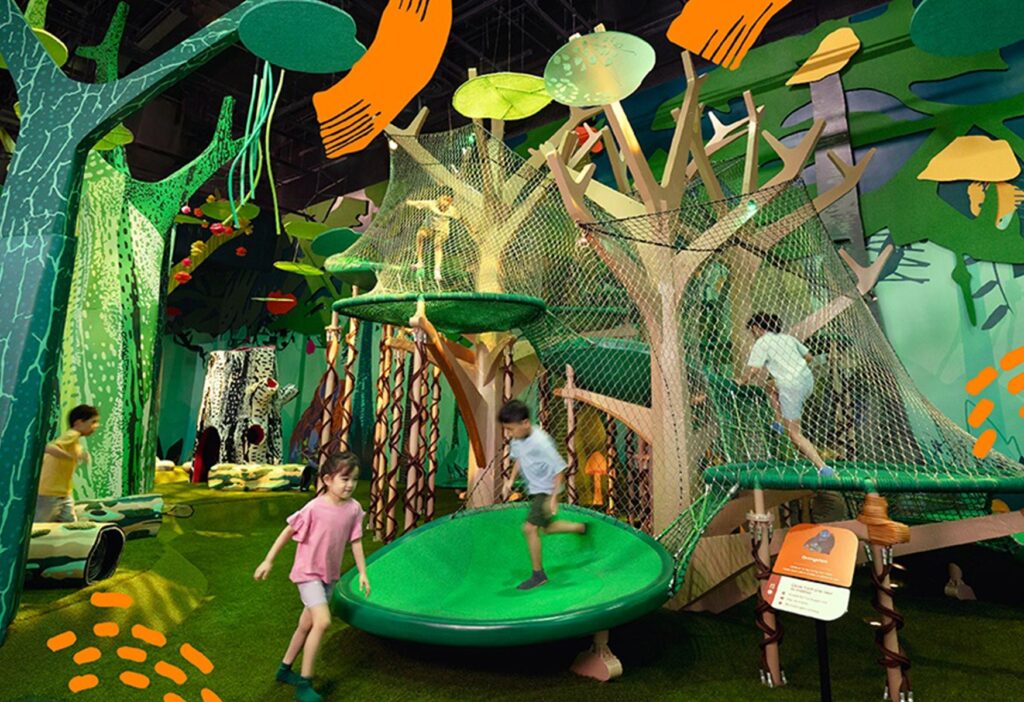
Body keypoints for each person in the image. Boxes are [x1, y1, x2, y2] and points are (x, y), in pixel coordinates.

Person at [254, 452, 370, 702]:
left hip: (329, 576)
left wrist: (363, 572)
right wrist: (268, 560)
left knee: (306, 625)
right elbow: (288, 531)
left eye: (354, 479)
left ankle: (284, 669)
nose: (350, 484)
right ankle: (305, 682)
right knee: (323, 622)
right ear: (327, 479)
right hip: (308, 573)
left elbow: (356, 541)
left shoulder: (353, 509)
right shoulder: (314, 508)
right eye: (344, 479)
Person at [498, 400, 587, 591]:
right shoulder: (517, 439)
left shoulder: (542, 443)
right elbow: (519, 459)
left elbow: (559, 470)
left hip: (546, 490)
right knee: (546, 528)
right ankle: (579, 527)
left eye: (510, 429)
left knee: (529, 528)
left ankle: (538, 575)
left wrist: (553, 498)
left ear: (525, 423)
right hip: (535, 489)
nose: (509, 434)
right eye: (506, 429)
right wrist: (510, 480)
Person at [738, 312, 834, 477]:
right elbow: (809, 357)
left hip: (790, 387)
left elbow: (754, 369)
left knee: (795, 435)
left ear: (756, 328)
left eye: (752, 331)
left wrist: (741, 381)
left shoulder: (762, 342)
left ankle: (823, 468)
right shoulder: (788, 338)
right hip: (807, 382)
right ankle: (778, 422)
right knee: (770, 386)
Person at [34, 404, 100, 523]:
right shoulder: (72, 434)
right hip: (50, 492)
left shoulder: (75, 440)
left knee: (70, 523)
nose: (96, 426)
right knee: (41, 525)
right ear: (78, 423)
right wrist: (68, 456)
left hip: (63, 493)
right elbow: (48, 448)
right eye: (93, 422)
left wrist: (81, 455)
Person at [406, 187, 459, 281]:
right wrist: (407, 201)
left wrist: (471, 229)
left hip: (442, 231)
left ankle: (437, 269)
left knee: (437, 242)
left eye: (449, 201)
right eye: (444, 199)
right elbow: (417, 203)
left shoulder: (452, 210)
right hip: (429, 228)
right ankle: (419, 262)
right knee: (420, 234)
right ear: (439, 198)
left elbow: (462, 219)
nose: (445, 203)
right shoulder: (431, 204)